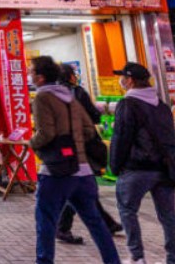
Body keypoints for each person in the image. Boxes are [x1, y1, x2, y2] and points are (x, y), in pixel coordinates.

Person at [29, 56, 120, 264]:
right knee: (96, 223)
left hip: (57, 172)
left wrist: (31, 143)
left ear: (41, 77)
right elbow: (89, 129)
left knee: (46, 221)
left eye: (32, 71)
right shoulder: (70, 97)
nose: (30, 75)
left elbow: (46, 133)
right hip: (83, 171)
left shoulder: (43, 98)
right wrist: (75, 141)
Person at [111, 62, 175, 264]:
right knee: (169, 216)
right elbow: (170, 139)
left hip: (137, 168)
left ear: (130, 80)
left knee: (127, 210)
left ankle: (137, 257)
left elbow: (121, 138)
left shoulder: (127, 104)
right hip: (164, 169)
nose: (121, 81)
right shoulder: (162, 106)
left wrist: (115, 165)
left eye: (123, 77)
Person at [56, 63, 123, 245]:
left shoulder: (51, 95)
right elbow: (94, 116)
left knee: (84, 186)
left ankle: (107, 223)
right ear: (71, 76)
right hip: (82, 145)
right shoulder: (77, 92)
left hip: (63, 146)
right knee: (82, 186)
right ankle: (62, 227)